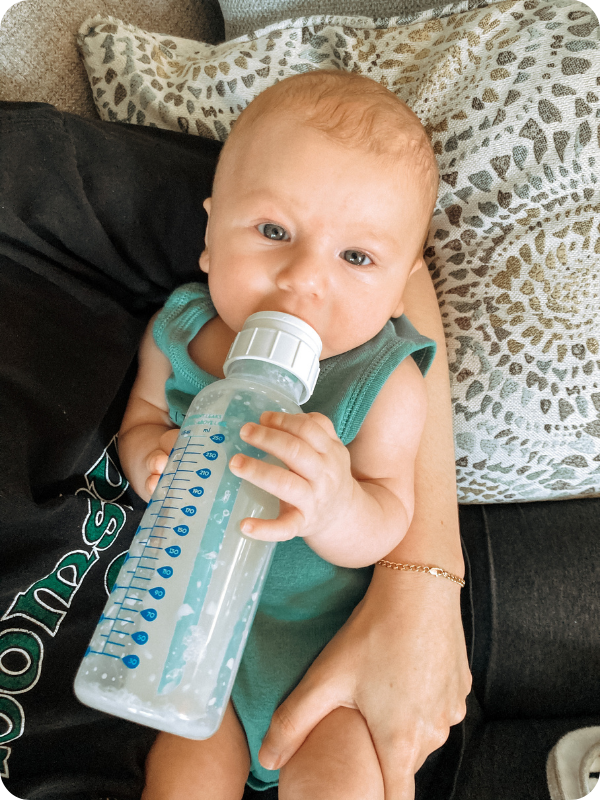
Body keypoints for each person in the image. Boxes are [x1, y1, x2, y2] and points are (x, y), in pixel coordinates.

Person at [116, 69, 466, 800]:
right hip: (191, 644)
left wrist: (336, 505)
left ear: (400, 286)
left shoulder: (384, 384)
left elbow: (389, 517)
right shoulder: (181, 333)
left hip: (331, 660)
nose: (304, 277)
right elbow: (143, 418)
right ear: (211, 235)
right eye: (273, 231)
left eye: (357, 258)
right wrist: (149, 455)